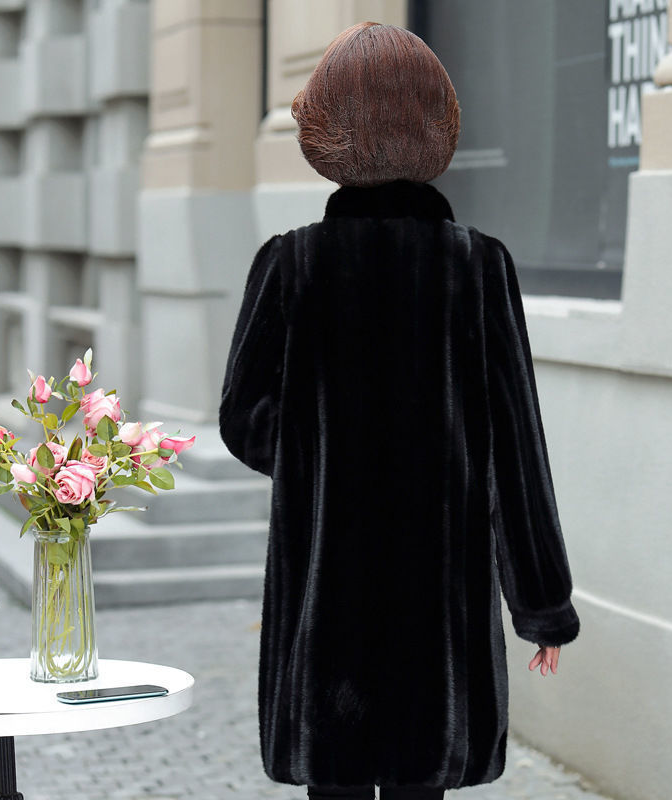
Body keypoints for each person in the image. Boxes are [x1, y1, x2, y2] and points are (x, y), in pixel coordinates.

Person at [219, 21, 580, 800]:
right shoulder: (478, 268)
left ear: (323, 132)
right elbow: (518, 455)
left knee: (335, 779)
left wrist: (324, 449)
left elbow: (244, 420)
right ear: (438, 126)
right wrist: (542, 607)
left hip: (329, 619)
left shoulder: (291, 265)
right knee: (425, 779)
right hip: (436, 622)